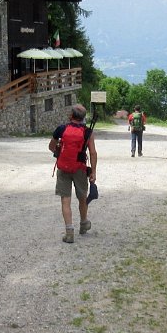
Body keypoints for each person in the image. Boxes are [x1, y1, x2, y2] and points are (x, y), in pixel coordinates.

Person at [49, 104, 98, 243]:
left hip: (63, 167)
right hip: (80, 168)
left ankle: (69, 232)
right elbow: (93, 153)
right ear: (83, 118)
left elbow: (51, 146)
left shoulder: (61, 129)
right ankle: (84, 223)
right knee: (82, 197)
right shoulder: (87, 132)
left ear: (71, 115)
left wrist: (60, 153)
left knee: (65, 200)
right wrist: (93, 171)